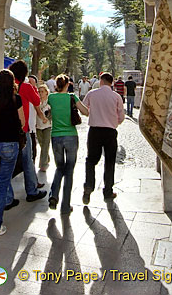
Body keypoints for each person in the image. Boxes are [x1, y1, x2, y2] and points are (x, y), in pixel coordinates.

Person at [0, 69, 25, 239]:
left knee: (0, 180)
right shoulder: (16, 99)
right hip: (9, 144)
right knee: (3, 183)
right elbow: (22, 121)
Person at [48, 74, 89, 214]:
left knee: (59, 168)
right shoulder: (72, 97)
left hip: (55, 136)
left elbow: (45, 110)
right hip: (71, 136)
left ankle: (53, 195)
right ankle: (66, 205)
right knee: (69, 170)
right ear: (67, 85)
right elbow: (86, 112)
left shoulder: (51, 98)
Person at [82, 72, 125, 204]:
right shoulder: (116, 97)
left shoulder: (92, 94)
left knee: (91, 160)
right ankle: (108, 190)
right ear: (111, 82)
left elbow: (84, 109)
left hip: (95, 130)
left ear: (101, 81)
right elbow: (121, 117)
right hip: (110, 132)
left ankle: (89, 185)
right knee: (110, 161)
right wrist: (114, 122)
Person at [8, 60, 47, 203]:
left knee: (7, 163)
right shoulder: (26, 87)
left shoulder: (8, 87)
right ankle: (32, 190)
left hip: (6, 130)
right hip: (22, 129)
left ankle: (6, 194)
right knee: (28, 160)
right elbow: (37, 101)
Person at [36, 83, 52, 171]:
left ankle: (43, 164)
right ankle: (47, 158)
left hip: (47, 126)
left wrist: (48, 118)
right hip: (38, 125)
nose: (40, 93)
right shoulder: (36, 102)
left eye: (42, 91)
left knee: (46, 144)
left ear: (46, 92)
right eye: (39, 91)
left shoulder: (49, 102)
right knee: (42, 144)